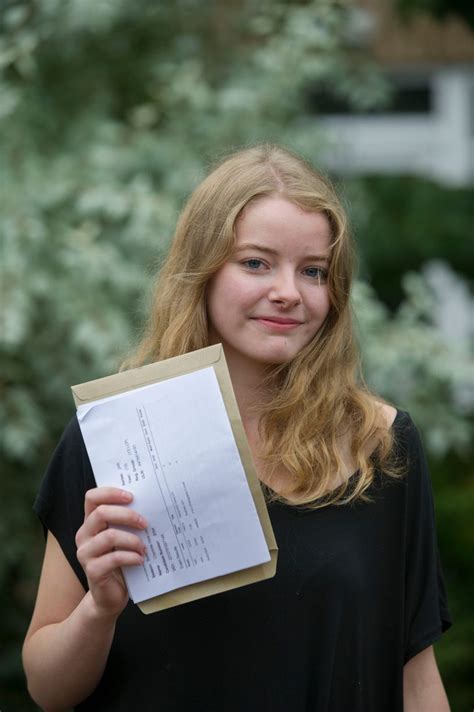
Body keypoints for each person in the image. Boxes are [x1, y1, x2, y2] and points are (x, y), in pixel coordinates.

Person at [23, 144, 451, 712]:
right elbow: (47, 690)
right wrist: (99, 608)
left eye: (313, 270)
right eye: (256, 262)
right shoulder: (117, 436)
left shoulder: (382, 445)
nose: (288, 292)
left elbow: (414, 673)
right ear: (201, 270)